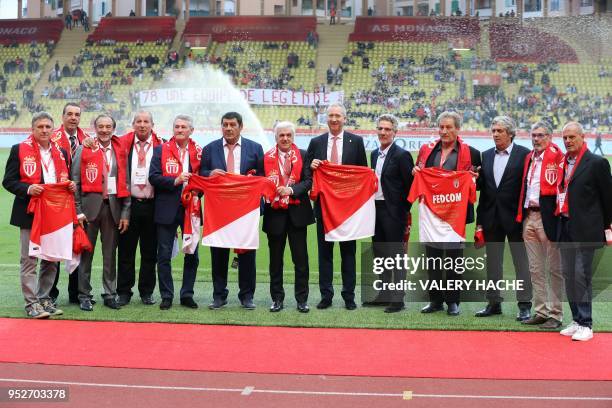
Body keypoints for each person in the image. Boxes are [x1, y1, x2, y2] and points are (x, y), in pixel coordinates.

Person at [3, 112, 73, 318]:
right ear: (33, 129)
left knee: (51, 259)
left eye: (47, 127)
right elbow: (8, 181)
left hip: (55, 213)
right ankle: (31, 304)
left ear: (53, 129)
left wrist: (70, 186)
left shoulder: (61, 152)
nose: (44, 130)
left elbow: (64, 180)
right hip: (30, 212)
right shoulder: (19, 150)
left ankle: (44, 299)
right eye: (40, 127)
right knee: (30, 259)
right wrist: (27, 189)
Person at [414, 111, 481, 316]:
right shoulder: (427, 151)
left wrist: (473, 179)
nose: (444, 131)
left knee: (454, 259)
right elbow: (418, 171)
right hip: (432, 213)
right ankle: (435, 300)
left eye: (449, 127)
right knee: (432, 258)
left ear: (457, 129)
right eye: (441, 127)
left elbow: (479, 185)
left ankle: (453, 301)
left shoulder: (472, 153)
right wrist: (416, 172)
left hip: (455, 215)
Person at [200, 112, 264, 310]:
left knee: (246, 254)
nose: (228, 128)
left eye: (232, 125)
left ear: (240, 126)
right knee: (218, 252)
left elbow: (262, 176)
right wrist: (209, 173)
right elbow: (201, 173)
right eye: (225, 124)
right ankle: (219, 295)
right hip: (219, 210)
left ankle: (247, 296)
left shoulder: (255, 148)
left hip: (246, 210)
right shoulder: (210, 149)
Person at [306, 103, 367, 310]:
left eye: (337, 116)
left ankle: (349, 296)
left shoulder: (356, 142)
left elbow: (362, 173)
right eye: (331, 115)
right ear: (326, 118)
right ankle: (326, 295)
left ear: (344, 119)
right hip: (324, 207)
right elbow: (307, 173)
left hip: (348, 210)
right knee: (325, 254)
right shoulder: (316, 142)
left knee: (348, 253)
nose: (334, 119)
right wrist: (312, 166)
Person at [557, 122, 612, 341]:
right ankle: (576, 319)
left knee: (581, 275)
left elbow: (608, 197)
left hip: (587, 229)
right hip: (565, 226)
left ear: (582, 137)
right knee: (569, 275)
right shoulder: (563, 163)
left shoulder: (597, 163)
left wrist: (608, 225)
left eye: (572, 137)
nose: (568, 141)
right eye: (565, 138)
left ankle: (587, 324)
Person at [475, 116, 532, 321]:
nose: (495, 134)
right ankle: (493, 303)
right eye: (493, 131)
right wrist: (480, 220)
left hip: (516, 218)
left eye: (499, 131)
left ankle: (525, 305)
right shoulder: (486, 155)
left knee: (521, 263)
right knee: (493, 263)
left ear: (510, 133)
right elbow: (484, 189)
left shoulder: (525, 155)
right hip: (491, 218)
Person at [72, 114, 130, 311]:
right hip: (88, 211)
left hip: (112, 209)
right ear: (94, 128)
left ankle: (109, 293)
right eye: (101, 126)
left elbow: (126, 182)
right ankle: (84, 294)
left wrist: (125, 213)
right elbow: (75, 183)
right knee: (86, 255)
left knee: (109, 255)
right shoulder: (84, 148)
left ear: (114, 128)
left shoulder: (120, 149)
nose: (104, 130)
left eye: (108, 126)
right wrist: (78, 211)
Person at [149, 115, 202, 310]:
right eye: (177, 126)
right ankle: (166, 295)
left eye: (184, 127)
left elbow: (204, 180)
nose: (179, 129)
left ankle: (187, 294)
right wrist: (175, 181)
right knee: (163, 254)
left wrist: (197, 190)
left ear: (191, 131)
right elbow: (153, 177)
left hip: (191, 209)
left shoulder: (198, 152)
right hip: (166, 208)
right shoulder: (160, 150)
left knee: (193, 253)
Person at [262, 121, 314, 313]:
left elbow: (309, 181)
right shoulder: (266, 157)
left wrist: (290, 189)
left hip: (297, 213)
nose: (285, 138)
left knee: (301, 260)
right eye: (281, 135)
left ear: (293, 137)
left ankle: (302, 299)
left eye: (288, 135)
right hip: (274, 214)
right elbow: (260, 182)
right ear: (275, 137)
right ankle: (277, 299)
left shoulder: (303, 154)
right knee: (275, 261)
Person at [516, 122, 564, 329]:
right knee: (535, 268)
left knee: (554, 268)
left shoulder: (557, 157)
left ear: (550, 137)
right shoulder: (529, 158)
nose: (536, 139)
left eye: (541, 135)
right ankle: (541, 311)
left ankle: (556, 314)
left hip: (548, 218)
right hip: (529, 216)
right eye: (534, 135)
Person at [116, 111, 164, 306]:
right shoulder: (123, 144)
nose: (142, 125)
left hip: (153, 205)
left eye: (146, 122)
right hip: (129, 206)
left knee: (149, 252)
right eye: (138, 121)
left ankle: (146, 291)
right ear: (133, 124)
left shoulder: (162, 145)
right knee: (126, 251)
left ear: (152, 124)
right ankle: (124, 292)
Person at [370, 114, 414, 313]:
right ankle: (384, 293)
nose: (383, 132)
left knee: (396, 255)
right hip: (375, 211)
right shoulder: (373, 154)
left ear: (395, 133)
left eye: (387, 129)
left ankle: (398, 298)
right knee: (380, 254)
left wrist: (402, 211)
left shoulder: (402, 155)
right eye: (380, 129)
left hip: (393, 212)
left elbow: (410, 187)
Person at [49, 102, 89, 304]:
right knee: (54, 249)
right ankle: (50, 293)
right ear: (62, 116)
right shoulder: (52, 139)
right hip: (57, 201)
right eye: (70, 114)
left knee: (78, 246)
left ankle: (75, 293)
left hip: (80, 201)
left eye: (77, 115)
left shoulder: (87, 140)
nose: (73, 118)